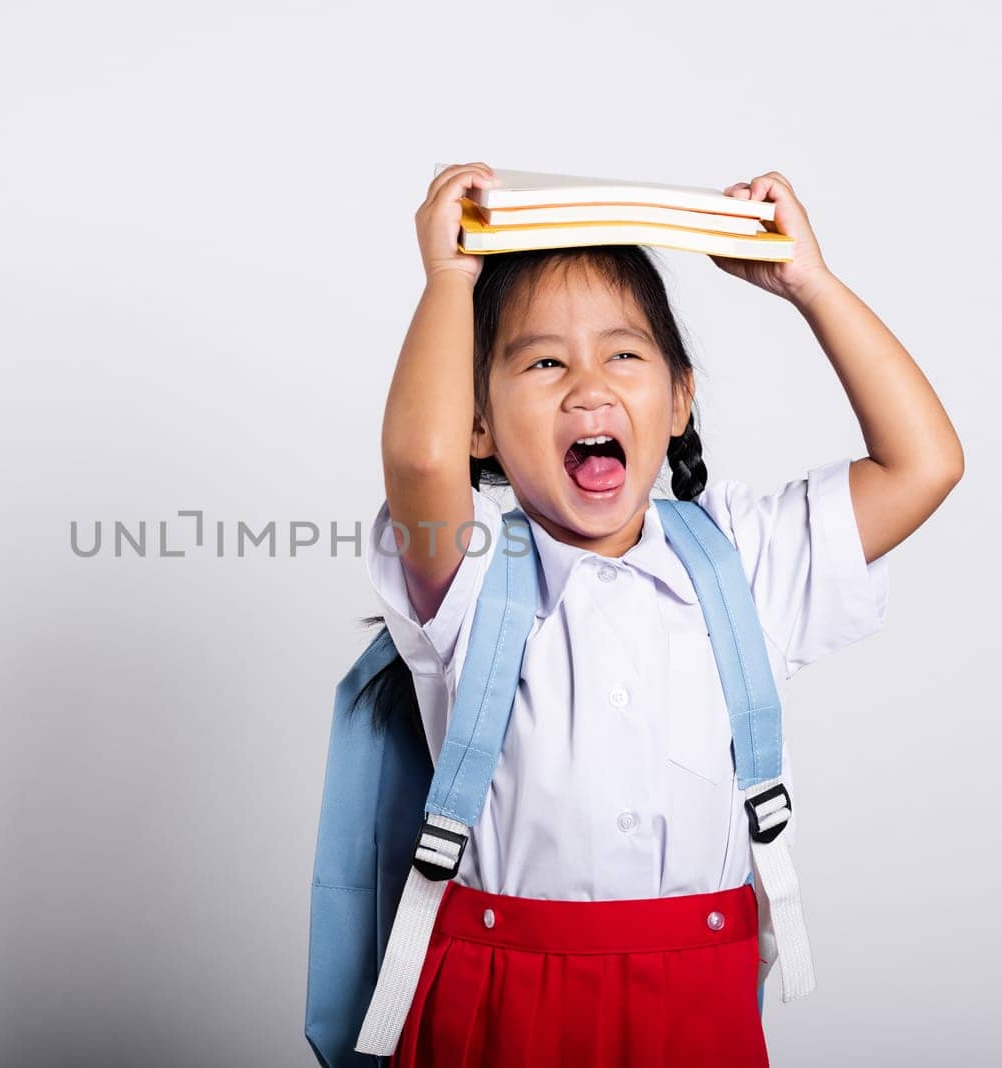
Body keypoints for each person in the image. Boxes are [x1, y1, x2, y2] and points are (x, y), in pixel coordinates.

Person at [361, 162, 964, 1066]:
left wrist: (809, 281)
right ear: (478, 424)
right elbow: (417, 457)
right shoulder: (469, 572)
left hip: (697, 1002)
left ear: (679, 400)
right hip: (499, 999)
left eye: (624, 354)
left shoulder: (745, 560)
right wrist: (451, 280)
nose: (588, 387)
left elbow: (925, 464)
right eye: (543, 361)